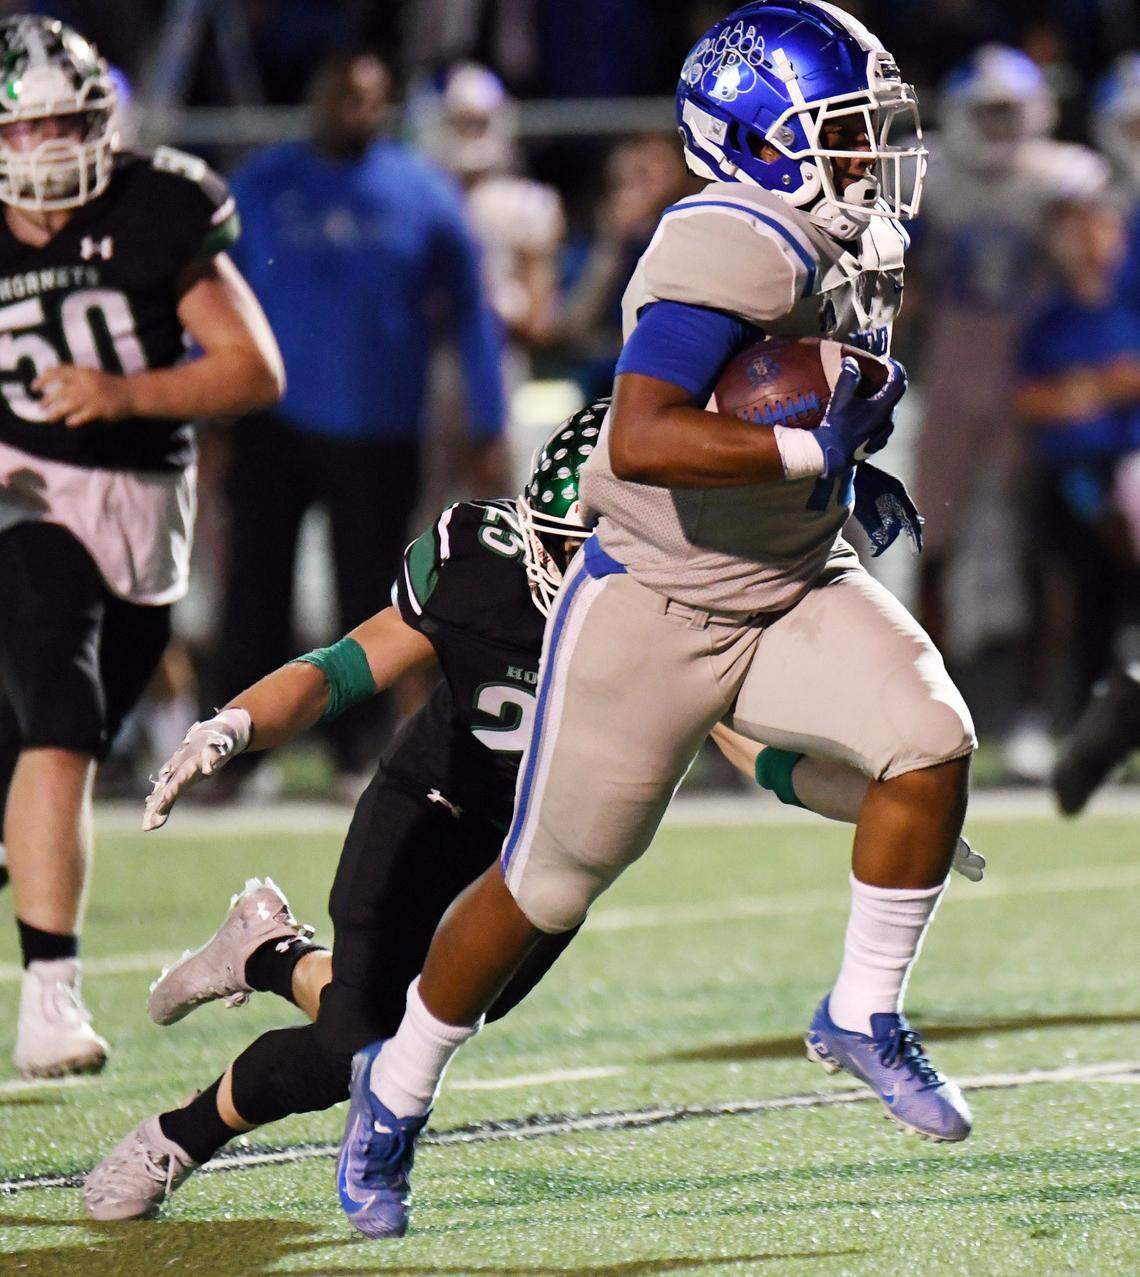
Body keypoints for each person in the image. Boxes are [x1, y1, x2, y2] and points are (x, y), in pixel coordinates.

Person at [335, 1, 978, 1241]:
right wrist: (804, 442)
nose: (874, 150)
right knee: (544, 889)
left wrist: (842, 462)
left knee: (931, 737)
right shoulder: (727, 241)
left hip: (791, 579)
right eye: (842, 129)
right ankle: (398, 1082)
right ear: (756, 140)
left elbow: (831, 386)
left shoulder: (864, 230)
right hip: (657, 600)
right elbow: (642, 434)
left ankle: (862, 1009)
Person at [83, 403, 985, 1221]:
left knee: (434, 1010)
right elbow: (344, 669)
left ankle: (270, 952)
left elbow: (758, 754)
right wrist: (235, 722)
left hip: (542, 847)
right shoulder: (479, 564)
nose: (572, 567)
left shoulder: (682, 607)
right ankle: (178, 1133)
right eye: (561, 544)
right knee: (355, 1048)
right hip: (432, 810)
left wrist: (892, 803)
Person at [0, 15, 283, 1078]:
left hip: (141, 504)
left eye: (70, 119)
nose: (54, 146)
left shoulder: (156, 200)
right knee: (64, 717)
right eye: (28, 128)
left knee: (47, 748)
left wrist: (124, 392)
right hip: (20, 493)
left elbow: (253, 368)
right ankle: (50, 997)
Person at [216, 50, 508, 795]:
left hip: (378, 422)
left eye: (373, 98)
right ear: (316, 96)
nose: (359, 110)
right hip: (270, 420)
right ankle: (238, 749)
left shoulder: (422, 192)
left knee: (370, 598)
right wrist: (207, 406)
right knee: (253, 586)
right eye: (346, 95)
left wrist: (487, 419)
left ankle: (356, 747)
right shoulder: (263, 184)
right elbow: (209, 298)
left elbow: (471, 316)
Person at [908, 44, 1107, 778]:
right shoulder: (928, 173)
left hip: (1033, 378)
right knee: (933, 540)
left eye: (1008, 110)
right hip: (950, 376)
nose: (997, 125)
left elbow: (1089, 278)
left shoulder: (1061, 177)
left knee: (1036, 545)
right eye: (985, 111)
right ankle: (927, 707)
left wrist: (1069, 229)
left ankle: (1030, 712)